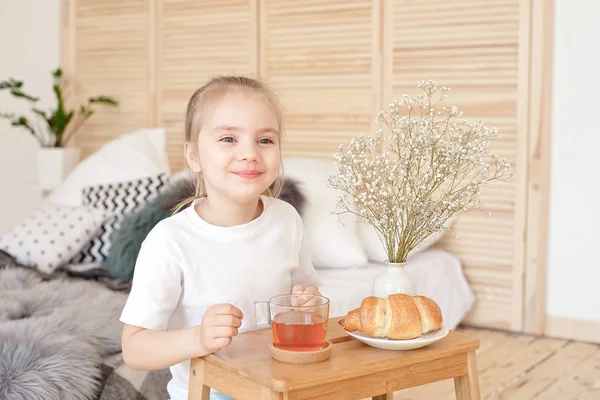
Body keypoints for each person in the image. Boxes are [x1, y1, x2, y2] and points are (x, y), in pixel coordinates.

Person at [119, 76, 322, 400]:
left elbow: (302, 299)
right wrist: (198, 338)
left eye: (265, 140)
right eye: (229, 138)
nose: (250, 153)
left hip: (281, 389)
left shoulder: (286, 220)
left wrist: (306, 304)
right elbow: (134, 348)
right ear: (194, 156)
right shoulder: (170, 241)